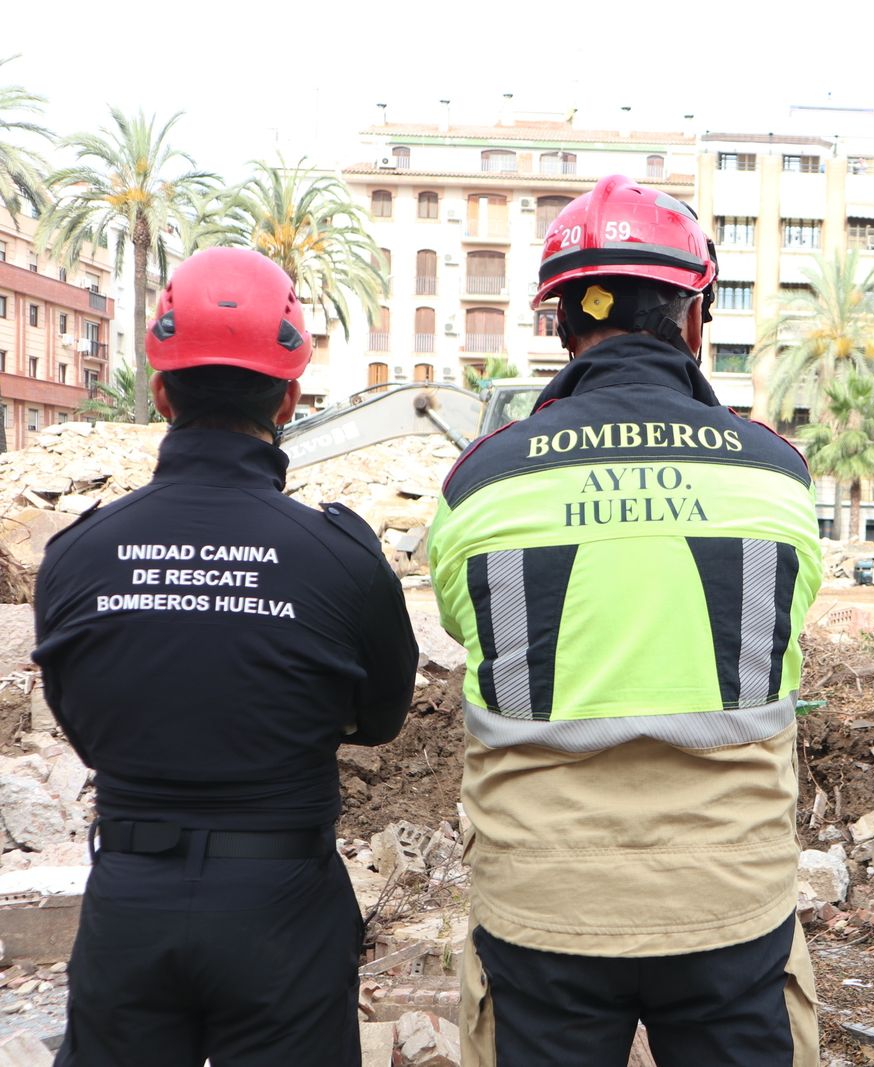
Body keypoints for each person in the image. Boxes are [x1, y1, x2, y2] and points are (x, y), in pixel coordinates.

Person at [428, 175, 824, 1067]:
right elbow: (787, 627)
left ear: (562, 324)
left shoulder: (481, 481)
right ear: (693, 319)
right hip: (732, 902)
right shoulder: (777, 476)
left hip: (541, 907)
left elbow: (469, 626)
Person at [32, 247, 417, 1067]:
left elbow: (85, 722)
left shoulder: (79, 552)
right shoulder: (341, 557)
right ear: (289, 395)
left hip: (129, 899)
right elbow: (383, 720)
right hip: (282, 904)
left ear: (162, 389)